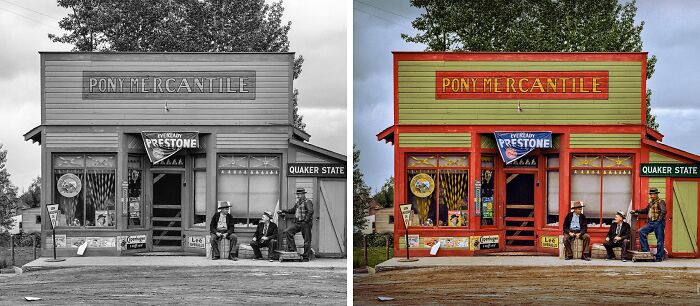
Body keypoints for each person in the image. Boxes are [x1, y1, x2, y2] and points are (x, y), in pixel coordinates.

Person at [631, 187, 667, 262]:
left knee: (660, 240)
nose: (651, 196)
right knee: (641, 231)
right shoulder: (651, 203)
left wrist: (658, 221)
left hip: (659, 223)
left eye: (652, 194)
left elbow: (663, 212)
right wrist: (636, 211)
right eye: (650, 194)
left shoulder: (661, 201)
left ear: (656, 194)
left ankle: (659, 257)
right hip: (651, 222)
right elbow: (645, 210)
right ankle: (646, 250)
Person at [278, 188, 314, 261]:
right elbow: (292, 210)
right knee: (288, 231)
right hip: (297, 223)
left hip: (305, 223)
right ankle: (293, 251)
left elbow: (310, 211)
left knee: (307, 240)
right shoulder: (298, 203)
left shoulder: (308, 202)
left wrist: (305, 221)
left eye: (300, 194)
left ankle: (306, 257)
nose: (298, 196)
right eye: (297, 194)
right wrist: (283, 210)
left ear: (303, 194)